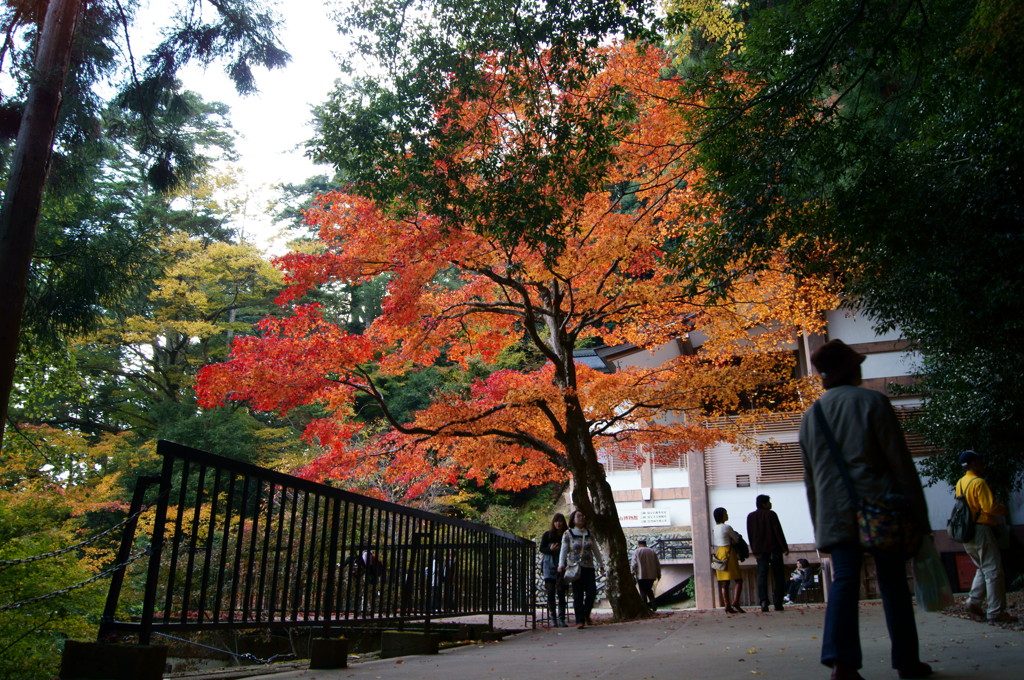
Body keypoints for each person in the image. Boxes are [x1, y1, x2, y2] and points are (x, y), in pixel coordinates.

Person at [799, 339, 932, 680]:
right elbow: (899, 464)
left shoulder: (811, 417)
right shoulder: (873, 402)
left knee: (844, 581)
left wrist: (820, 528)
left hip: (836, 515)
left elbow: (811, 481)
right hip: (880, 508)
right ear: (852, 369)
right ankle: (906, 662)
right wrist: (920, 517)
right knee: (893, 584)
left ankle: (842, 664)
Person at [956, 450, 1018, 623]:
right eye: (980, 462)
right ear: (974, 464)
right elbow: (989, 507)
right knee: (994, 571)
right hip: (982, 529)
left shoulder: (961, 482)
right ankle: (996, 612)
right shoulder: (979, 482)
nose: (982, 465)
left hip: (966, 531)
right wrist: (1002, 509)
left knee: (983, 567)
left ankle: (973, 601)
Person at [558, 509, 605, 629]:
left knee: (591, 592)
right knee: (578, 594)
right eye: (579, 516)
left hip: (589, 566)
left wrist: (601, 564)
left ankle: (585, 613)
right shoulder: (568, 534)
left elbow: (595, 549)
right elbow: (563, 550)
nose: (582, 518)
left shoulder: (590, 533)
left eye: (583, 516)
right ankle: (580, 620)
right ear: (573, 519)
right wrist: (561, 564)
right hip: (575, 567)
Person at [747, 494, 789, 612]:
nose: (771, 504)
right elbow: (778, 531)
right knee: (779, 576)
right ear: (764, 503)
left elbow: (750, 535)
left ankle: (764, 601)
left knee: (762, 575)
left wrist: (754, 550)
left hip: (760, 551)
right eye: (769, 502)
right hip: (774, 549)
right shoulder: (771, 514)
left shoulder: (751, 516)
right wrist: (784, 547)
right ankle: (778, 603)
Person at [712, 507, 745, 613]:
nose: (727, 515)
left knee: (724, 582)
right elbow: (735, 539)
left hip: (719, 553)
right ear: (722, 515)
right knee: (738, 579)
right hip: (729, 553)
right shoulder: (727, 527)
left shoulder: (715, 528)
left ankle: (727, 605)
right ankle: (736, 601)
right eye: (725, 513)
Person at [539, 512, 569, 627]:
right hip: (549, 565)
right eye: (556, 521)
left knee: (561, 591)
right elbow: (542, 548)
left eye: (560, 521)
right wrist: (550, 549)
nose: (558, 523)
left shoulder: (566, 535)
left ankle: (561, 618)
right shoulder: (547, 535)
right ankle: (553, 617)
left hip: (561, 566)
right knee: (550, 591)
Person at [630, 539, 661, 609]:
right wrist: (658, 574)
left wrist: (632, 573)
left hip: (641, 575)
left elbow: (634, 564)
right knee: (649, 590)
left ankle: (645, 606)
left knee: (643, 591)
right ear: (645, 544)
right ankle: (653, 604)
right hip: (651, 575)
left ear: (638, 544)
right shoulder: (652, 551)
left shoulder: (637, 551)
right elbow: (657, 564)